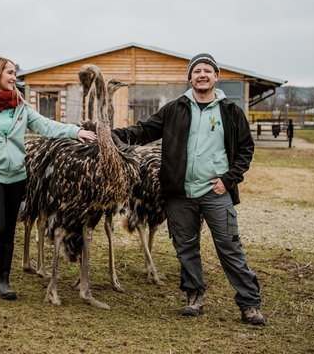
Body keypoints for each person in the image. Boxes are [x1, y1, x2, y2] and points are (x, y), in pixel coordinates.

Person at [113, 53, 265, 325]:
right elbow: (143, 131)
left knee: (230, 247)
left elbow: (245, 149)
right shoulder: (175, 109)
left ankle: (249, 304)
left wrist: (229, 180)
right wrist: (109, 134)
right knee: (185, 247)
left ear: (216, 76)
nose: (202, 75)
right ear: (190, 77)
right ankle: (194, 296)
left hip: (215, 191)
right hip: (180, 193)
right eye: (197, 71)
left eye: (208, 70)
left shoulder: (230, 111)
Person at [0, 56, 96, 303]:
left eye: (15, 73)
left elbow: (45, 126)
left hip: (16, 177)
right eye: (10, 73)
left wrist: (75, 132)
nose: (14, 78)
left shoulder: (19, 105)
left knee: (9, 231)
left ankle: (3, 281)